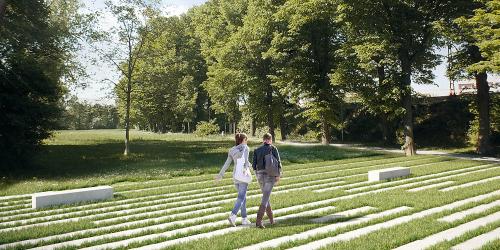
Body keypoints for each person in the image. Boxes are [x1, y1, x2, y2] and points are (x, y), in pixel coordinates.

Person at [215, 133, 252, 226]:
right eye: (246, 139)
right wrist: (251, 167)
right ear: (243, 140)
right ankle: (233, 216)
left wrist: (220, 174)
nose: (246, 141)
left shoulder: (231, 150)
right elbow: (246, 161)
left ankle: (244, 219)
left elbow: (227, 164)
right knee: (241, 197)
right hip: (243, 176)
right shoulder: (246, 148)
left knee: (243, 197)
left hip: (235, 175)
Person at [252, 133, 282, 228]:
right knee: (265, 197)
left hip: (260, 175)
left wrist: (257, 174)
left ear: (263, 139)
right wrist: (278, 174)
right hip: (270, 175)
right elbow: (278, 162)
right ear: (270, 140)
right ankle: (258, 221)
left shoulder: (257, 150)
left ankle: (272, 220)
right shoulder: (273, 148)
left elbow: (253, 166)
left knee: (266, 196)